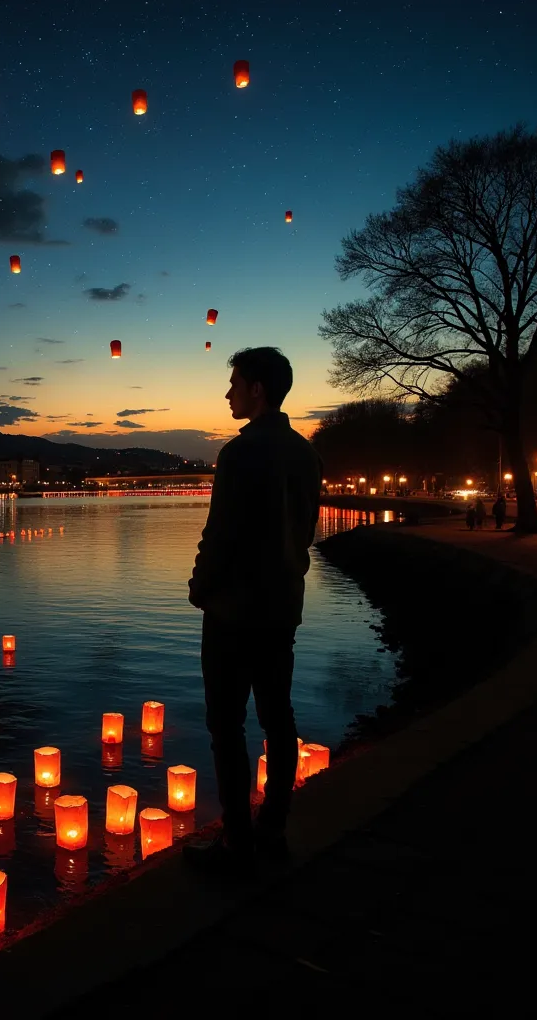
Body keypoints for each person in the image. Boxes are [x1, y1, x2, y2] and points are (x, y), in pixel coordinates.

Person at [185, 347, 323, 875]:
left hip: (233, 611)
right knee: (278, 716)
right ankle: (274, 827)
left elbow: (220, 534)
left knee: (227, 725)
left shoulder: (239, 454)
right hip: (283, 606)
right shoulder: (307, 455)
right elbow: (305, 531)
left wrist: (201, 587)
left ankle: (237, 841)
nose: (228, 393)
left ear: (257, 390)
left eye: (235, 383)